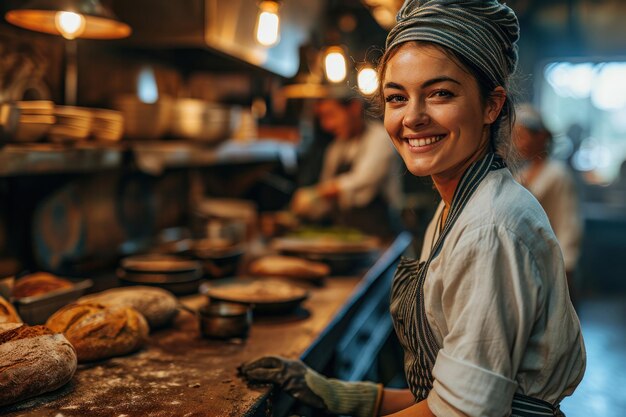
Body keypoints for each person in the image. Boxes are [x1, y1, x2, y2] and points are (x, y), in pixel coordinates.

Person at [240, 1, 586, 416]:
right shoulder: (454, 210)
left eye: (440, 93)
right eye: (397, 97)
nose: (413, 117)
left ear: (492, 105)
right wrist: (342, 396)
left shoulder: (489, 227)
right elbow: (448, 397)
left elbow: (460, 414)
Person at [290, 91, 402, 237]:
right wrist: (304, 210)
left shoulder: (380, 138)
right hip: (349, 233)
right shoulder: (336, 148)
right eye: (322, 118)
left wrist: (315, 193)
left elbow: (361, 179)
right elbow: (327, 202)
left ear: (354, 108)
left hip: (382, 235)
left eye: (331, 115)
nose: (326, 125)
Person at [514, 104, 583, 303]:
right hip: (531, 262)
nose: (518, 143)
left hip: (554, 262)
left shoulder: (557, 175)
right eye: (515, 137)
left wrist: (567, 266)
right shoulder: (521, 175)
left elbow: (568, 222)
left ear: (542, 137)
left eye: (523, 136)